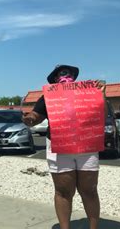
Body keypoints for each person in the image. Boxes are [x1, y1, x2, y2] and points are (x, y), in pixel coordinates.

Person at [22, 65, 105, 229]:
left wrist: (100, 93)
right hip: (59, 146)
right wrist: (30, 118)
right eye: (61, 74)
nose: (65, 76)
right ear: (54, 79)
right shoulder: (48, 96)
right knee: (63, 191)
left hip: (87, 145)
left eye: (69, 73)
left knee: (89, 190)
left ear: (75, 77)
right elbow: (37, 115)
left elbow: (101, 111)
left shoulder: (88, 91)